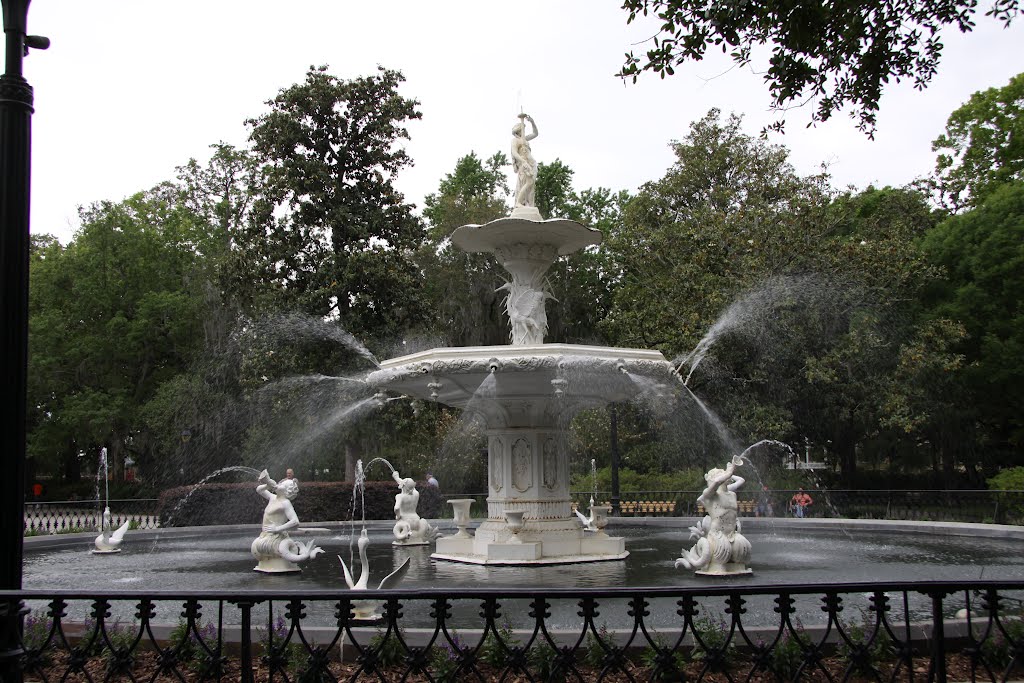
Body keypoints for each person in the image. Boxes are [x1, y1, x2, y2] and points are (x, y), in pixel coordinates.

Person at [675, 455, 752, 574]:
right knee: (721, 556)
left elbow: (739, 480)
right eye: (721, 475)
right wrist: (729, 472)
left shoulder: (732, 494)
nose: (725, 475)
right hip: (718, 536)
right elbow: (716, 482)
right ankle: (714, 564)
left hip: (732, 534)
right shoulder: (709, 495)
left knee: (744, 548)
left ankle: (734, 564)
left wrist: (730, 472)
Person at [511, 113, 539, 209]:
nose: (524, 131)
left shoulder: (524, 140)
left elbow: (535, 134)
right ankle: (519, 203)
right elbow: (514, 152)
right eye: (523, 129)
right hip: (524, 163)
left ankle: (528, 204)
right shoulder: (515, 140)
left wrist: (532, 122)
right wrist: (523, 161)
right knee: (527, 183)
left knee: (531, 186)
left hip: (531, 163)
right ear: (518, 131)